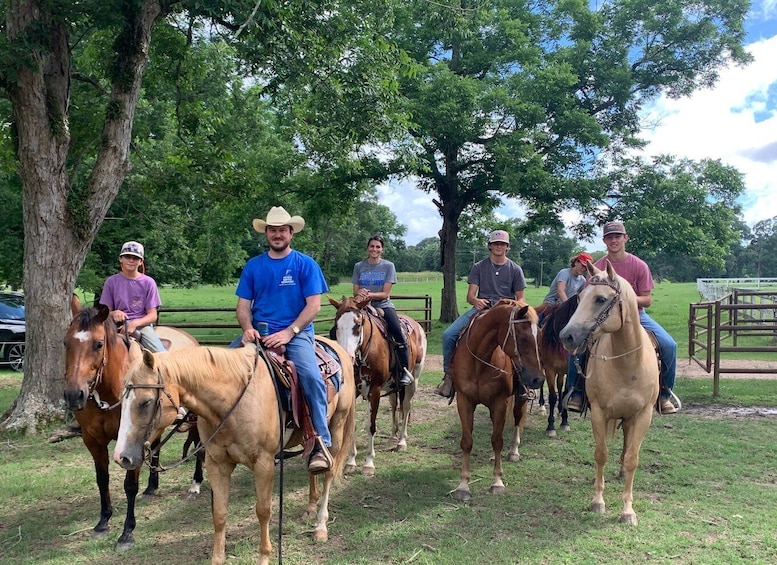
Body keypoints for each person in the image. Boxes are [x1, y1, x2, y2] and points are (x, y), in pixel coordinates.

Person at [233, 206, 333, 474]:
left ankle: (320, 441)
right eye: (272, 230)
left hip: (296, 334)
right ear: (266, 233)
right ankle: (212, 431)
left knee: (311, 376)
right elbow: (243, 306)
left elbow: (313, 306)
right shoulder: (254, 266)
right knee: (219, 370)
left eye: (282, 230)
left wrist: (289, 333)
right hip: (259, 333)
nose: (277, 234)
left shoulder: (305, 264)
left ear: (291, 233)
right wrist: (247, 328)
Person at [564, 221, 679, 414]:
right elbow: (589, 298)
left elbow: (647, 299)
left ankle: (665, 394)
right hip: (603, 317)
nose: (613, 240)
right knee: (576, 347)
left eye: (617, 236)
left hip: (636, 316)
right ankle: (576, 391)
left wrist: (625, 299)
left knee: (669, 345)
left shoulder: (639, 265)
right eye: (609, 237)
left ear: (625, 238)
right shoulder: (598, 267)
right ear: (604, 241)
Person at [434, 229, 527, 398]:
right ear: (489, 246)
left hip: (507, 314)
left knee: (526, 338)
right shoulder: (479, 267)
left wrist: (508, 306)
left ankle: (522, 382)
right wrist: (476, 301)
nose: (499, 246)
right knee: (448, 335)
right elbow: (470, 296)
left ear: (508, 247)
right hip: (482, 310)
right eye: (496, 244)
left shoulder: (515, 269)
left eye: (503, 244)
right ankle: (449, 374)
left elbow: (521, 299)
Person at [352, 235, 414, 387]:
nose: (374, 249)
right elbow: (355, 290)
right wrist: (360, 294)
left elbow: (385, 293)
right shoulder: (359, 266)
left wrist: (369, 294)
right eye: (372, 246)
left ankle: (404, 371)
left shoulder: (388, 266)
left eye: (378, 247)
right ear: (367, 248)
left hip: (383, 305)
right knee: (340, 328)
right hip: (362, 305)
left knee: (397, 332)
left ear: (382, 250)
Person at [99, 241, 167, 353]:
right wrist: (114, 313)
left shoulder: (148, 283)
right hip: (114, 325)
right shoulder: (111, 282)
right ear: (121, 259)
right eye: (127, 257)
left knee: (160, 354)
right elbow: (106, 312)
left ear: (140, 262)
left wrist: (134, 323)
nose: (131, 260)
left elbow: (152, 315)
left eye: (135, 258)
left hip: (141, 326)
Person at [535, 252, 592, 318]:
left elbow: (583, 295)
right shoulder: (564, 273)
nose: (584, 269)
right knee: (538, 322)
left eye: (586, 268)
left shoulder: (582, 280)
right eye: (583, 266)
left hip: (566, 307)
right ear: (576, 262)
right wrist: (568, 305)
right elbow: (560, 290)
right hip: (551, 304)